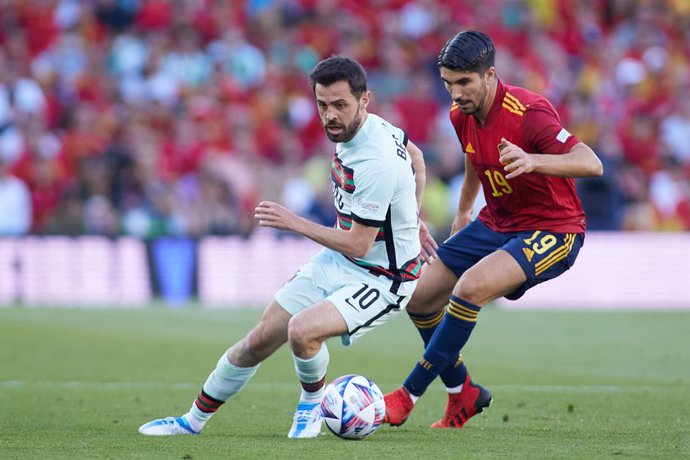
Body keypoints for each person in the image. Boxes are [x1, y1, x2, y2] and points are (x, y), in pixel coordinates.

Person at [138, 56, 437, 438]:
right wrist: (413, 216)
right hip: (340, 260)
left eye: (340, 105)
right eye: (322, 105)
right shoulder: (370, 131)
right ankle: (191, 422)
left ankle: (311, 410)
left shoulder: (376, 160)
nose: (330, 115)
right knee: (259, 339)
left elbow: (360, 244)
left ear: (365, 101)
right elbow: (417, 157)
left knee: (302, 331)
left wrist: (294, 222)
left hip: (385, 277)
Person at [382, 30, 603, 429]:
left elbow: (590, 162)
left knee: (469, 288)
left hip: (553, 228)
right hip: (496, 221)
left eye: (464, 82)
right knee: (418, 299)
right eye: (448, 84)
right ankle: (462, 393)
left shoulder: (529, 112)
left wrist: (535, 161)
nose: (455, 93)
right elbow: (473, 158)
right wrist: (464, 209)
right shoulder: (460, 115)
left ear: (490, 75)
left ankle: (407, 395)